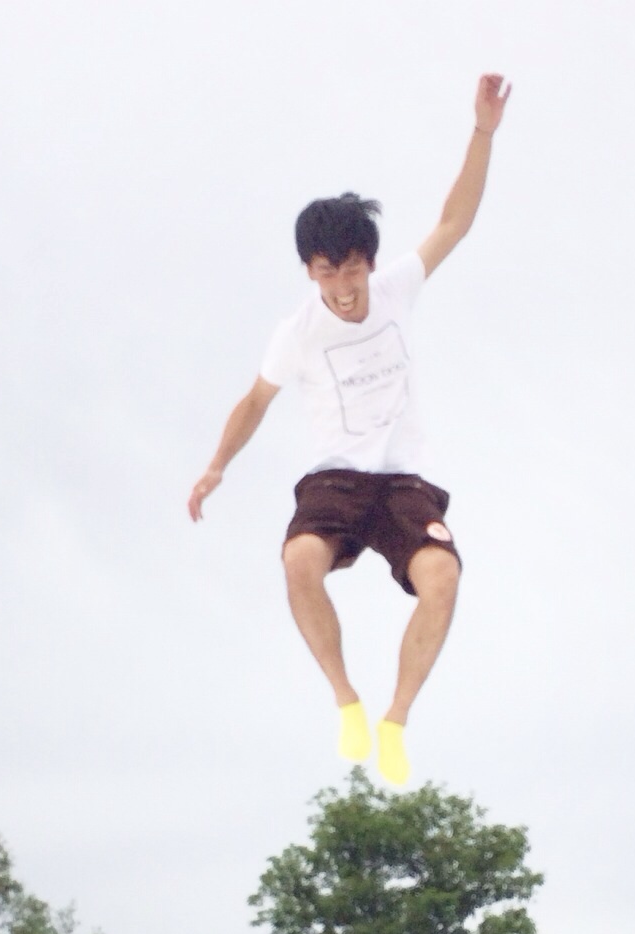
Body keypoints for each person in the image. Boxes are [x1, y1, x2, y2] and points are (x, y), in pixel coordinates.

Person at [188, 74, 511, 785]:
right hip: (335, 478)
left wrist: (482, 132)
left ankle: (395, 720)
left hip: (403, 482)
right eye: (328, 272)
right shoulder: (297, 332)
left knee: (443, 577)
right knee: (298, 562)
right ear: (310, 270)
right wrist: (217, 465)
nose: (344, 287)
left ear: (370, 263)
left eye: (354, 270)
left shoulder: (397, 289)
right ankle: (346, 702)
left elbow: (454, 222)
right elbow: (255, 401)